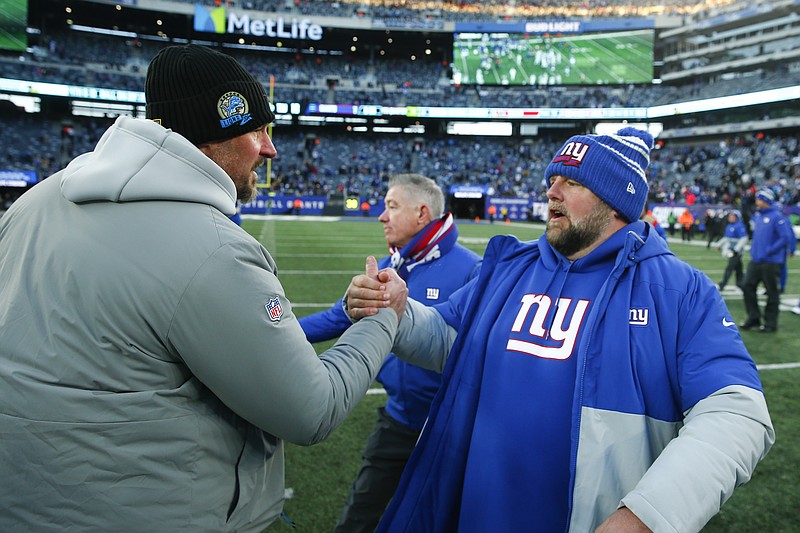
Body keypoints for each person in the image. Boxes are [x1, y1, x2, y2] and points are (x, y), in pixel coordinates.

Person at [0, 45, 402, 532]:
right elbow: (311, 410)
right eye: (256, 130)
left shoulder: (33, 202)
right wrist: (384, 316)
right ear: (214, 134)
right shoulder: (212, 250)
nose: (270, 149)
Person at [346, 127, 774, 532]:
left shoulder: (679, 290)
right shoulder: (509, 270)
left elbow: (737, 415)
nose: (551, 191)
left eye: (572, 183)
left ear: (615, 200)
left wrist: (648, 514)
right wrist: (401, 312)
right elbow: (447, 340)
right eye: (552, 179)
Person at [299, 173, 481, 533]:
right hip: (396, 421)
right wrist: (279, 335)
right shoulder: (389, 266)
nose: (382, 216)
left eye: (392, 206)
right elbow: (339, 316)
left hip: (448, 429)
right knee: (358, 515)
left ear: (422, 214)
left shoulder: (473, 271)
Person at [739, 188, 794, 332]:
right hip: (756, 260)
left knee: (772, 292)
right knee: (747, 286)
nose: (756, 201)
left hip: (771, 262)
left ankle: (770, 323)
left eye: (759, 199)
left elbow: (785, 237)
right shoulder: (759, 216)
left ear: (765, 200)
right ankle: (754, 318)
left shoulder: (777, 216)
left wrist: (769, 250)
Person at [717, 210, 748, 291]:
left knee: (730, 267)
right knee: (738, 268)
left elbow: (744, 238)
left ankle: (723, 283)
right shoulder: (729, 226)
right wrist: (719, 244)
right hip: (731, 250)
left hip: (736, 251)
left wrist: (736, 249)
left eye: (732, 216)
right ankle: (740, 283)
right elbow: (727, 237)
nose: (730, 218)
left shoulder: (739, 226)